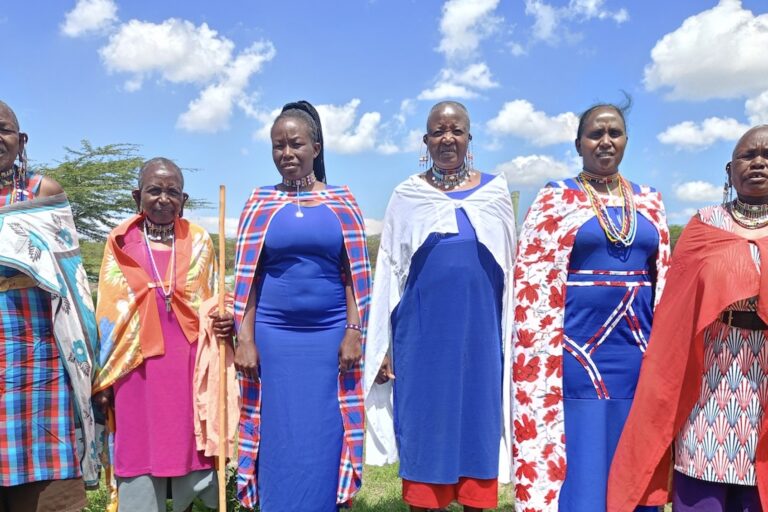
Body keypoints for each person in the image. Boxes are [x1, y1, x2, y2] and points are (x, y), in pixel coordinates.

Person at [512, 101, 671, 511]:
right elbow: (532, 280)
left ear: (626, 141)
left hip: (638, 350)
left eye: (614, 133)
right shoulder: (555, 199)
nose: (605, 142)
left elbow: (665, 276)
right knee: (582, 458)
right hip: (576, 351)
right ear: (578, 143)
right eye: (595, 134)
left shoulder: (650, 201)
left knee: (632, 453)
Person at [364, 101, 516, 512]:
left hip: (480, 343)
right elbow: (388, 276)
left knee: (477, 434)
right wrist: (381, 348)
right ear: (425, 141)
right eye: (438, 131)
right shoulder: (407, 196)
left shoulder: (497, 193)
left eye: (456, 130)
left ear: (469, 138)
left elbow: (513, 277)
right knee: (425, 434)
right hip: (422, 343)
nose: (447, 138)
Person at [608, 125, 768, 512]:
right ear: (729, 171)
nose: (759, 162)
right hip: (710, 370)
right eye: (748, 156)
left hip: (763, 371)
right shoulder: (705, 224)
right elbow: (677, 308)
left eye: (767, 156)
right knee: (701, 472)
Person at [233, 100, 371, 511]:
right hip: (273, 339)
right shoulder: (259, 203)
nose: (286, 154)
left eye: (295, 144)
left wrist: (353, 331)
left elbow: (354, 275)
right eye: (278, 146)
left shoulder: (341, 202)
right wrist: (245, 339)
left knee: (328, 428)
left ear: (316, 147)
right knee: (276, 430)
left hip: (330, 337)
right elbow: (248, 279)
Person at [92, 157, 234, 512]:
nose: (163, 198)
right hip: (135, 368)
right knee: (139, 451)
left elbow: (212, 296)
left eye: (173, 191)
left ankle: (189, 502)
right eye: (154, 190)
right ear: (136, 196)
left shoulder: (200, 241)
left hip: (189, 366)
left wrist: (222, 317)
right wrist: (105, 377)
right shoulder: (121, 240)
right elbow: (108, 310)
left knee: (188, 446)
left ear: (183, 201)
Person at [0, 100, 99, 511]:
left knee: (47, 491)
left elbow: (72, 285)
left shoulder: (44, 193)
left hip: (37, 359)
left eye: (2, 129)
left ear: (21, 141)